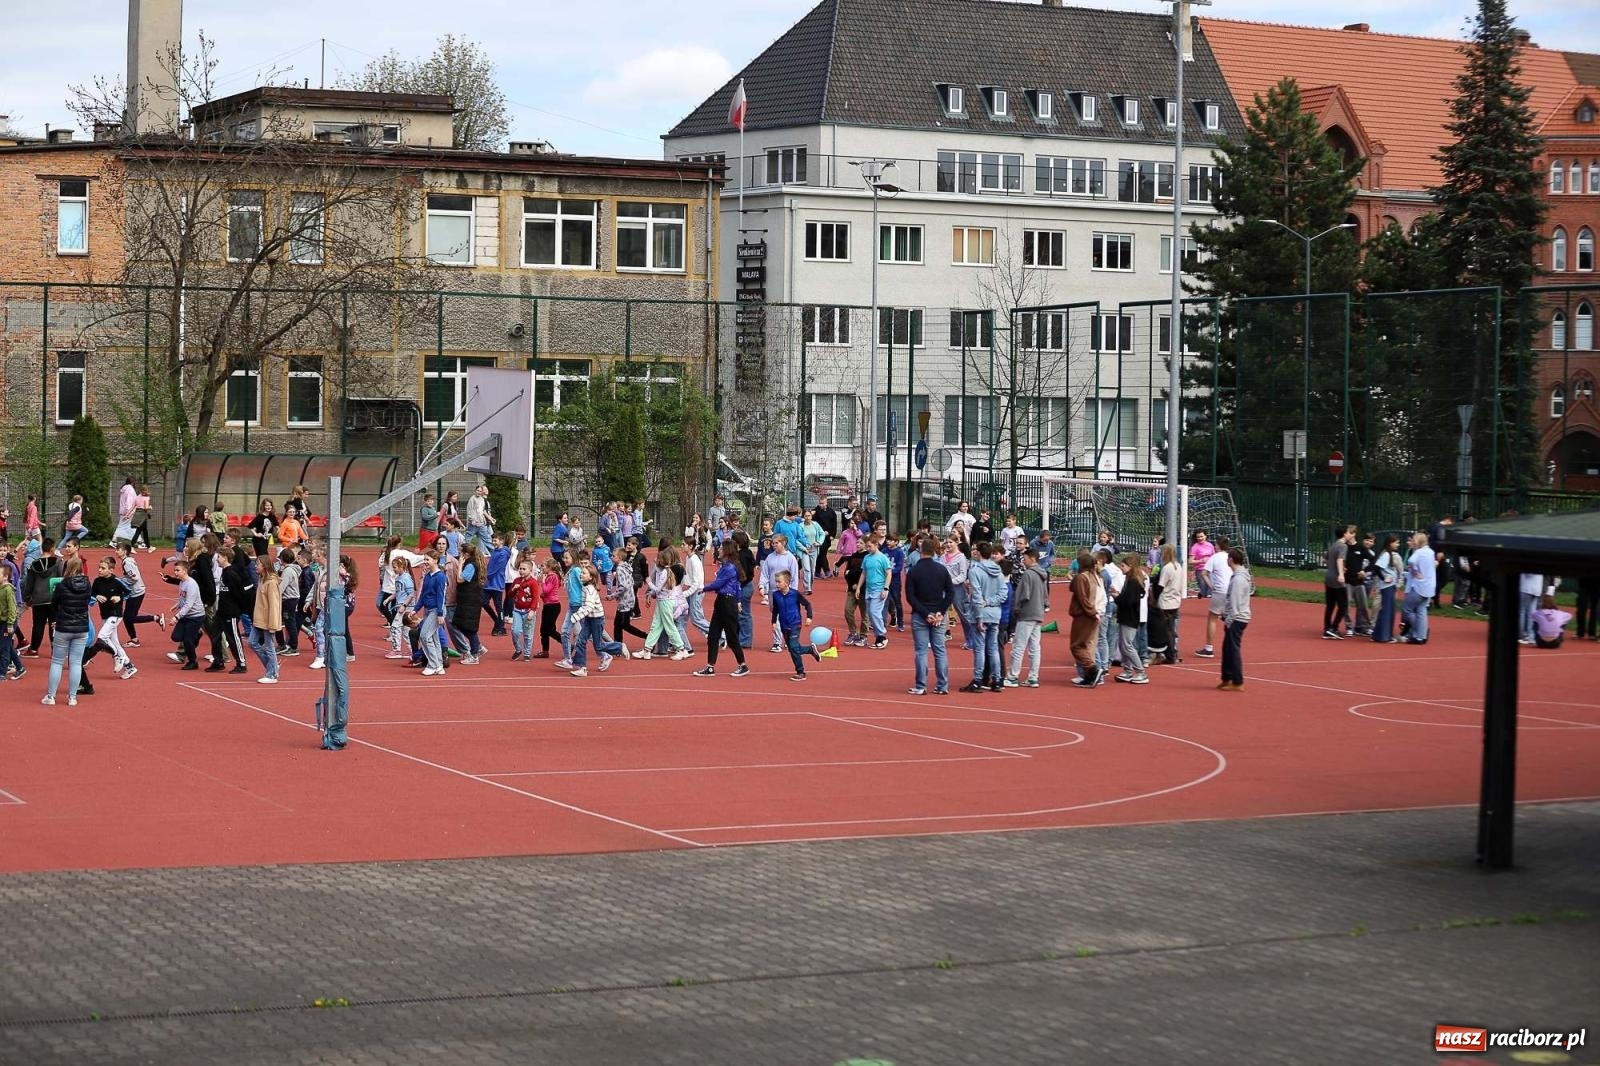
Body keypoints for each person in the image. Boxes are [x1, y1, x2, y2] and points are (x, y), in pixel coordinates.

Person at [905, 535, 954, 696]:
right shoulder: (942, 569)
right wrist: (940, 612)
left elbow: (910, 597)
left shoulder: (914, 571)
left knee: (921, 651)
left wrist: (926, 613)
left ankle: (921, 685)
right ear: (934, 551)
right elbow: (950, 593)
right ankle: (942, 685)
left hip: (921, 615)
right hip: (939, 614)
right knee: (940, 650)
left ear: (920, 550)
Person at [693, 542, 750, 677]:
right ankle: (710, 666)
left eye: (720, 548)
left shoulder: (729, 567)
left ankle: (743, 665)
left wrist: (702, 588)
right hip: (722, 602)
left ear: (727, 551)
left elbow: (719, 584)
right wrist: (739, 600)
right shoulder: (727, 566)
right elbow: (737, 586)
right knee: (713, 635)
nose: (717, 550)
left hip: (727, 603)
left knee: (731, 637)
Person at [41, 556, 92, 705]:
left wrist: (57, 617)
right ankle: (72, 697)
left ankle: (51, 696)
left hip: (64, 626)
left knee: (57, 662)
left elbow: (54, 603)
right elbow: (87, 601)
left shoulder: (62, 585)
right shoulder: (87, 584)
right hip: (82, 627)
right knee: (76, 663)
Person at [568, 563, 627, 677]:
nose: (581, 574)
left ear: (591, 577)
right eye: (581, 572)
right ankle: (582, 668)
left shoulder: (589, 589)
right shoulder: (585, 587)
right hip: (589, 618)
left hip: (596, 619)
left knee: (598, 645)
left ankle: (619, 647)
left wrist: (576, 616)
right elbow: (585, 606)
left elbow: (588, 607)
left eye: (584, 573)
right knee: (581, 641)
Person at [962, 541, 1005, 693]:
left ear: (979, 552)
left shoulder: (975, 571)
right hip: (995, 613)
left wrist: (980, 615)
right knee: (993, 648)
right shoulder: (998, 570)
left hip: (981, 614)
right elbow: (1003, 594)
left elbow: (977, 595)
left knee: (979, 648)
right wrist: (992, 602)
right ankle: (997, 680)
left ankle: (978, 680)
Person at [1004, 547, 1048, 688]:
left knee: (1018, 646)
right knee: (1035, 647)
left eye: (1025, 558)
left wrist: (1016, 608)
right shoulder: (1043, 574)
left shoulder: (1028, 574)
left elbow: (1024, 595)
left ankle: (1012, 676)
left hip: (1027, 613)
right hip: (1038, 612)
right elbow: (1046, 595)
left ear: (1032, 558)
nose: (1023, 561)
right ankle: (1033, 677)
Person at [89, 556, 136, 680]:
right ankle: (129, 666)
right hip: (104, 614)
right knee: (114, 641)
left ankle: (116, 655)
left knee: (102, 637)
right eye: (99, 567)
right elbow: (91, 595)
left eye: (103, 568)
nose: (99, 570)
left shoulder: (117, 582)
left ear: (111, 570)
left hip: (116, 614)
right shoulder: (97, 581)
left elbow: (128, 592)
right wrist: (97, 597)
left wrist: (120, 598)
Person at [768, 570, 820, 681]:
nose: (776, 584)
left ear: (786, 582)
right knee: (793, 649)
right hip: (783, 625)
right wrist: (773, 622)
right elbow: (775, 609)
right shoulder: (776, 595)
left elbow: (807, 604)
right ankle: (810, 649)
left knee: (793, 647)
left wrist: (809, 617)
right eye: (776, 582)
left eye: (779, 582)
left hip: (795, 624)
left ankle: (800, 672)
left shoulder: (795, 594)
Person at [1218, 547, 1252, 691]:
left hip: (1237, 619)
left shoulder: (1238, 579)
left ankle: (1237, 681)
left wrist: (1229, 618)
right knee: (1227, 648)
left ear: (1231, 560)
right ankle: (1227, 677)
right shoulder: (1239, 575)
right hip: (1235, 617)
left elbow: (1235, 602)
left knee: (1233, 649)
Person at [1067, 550, 1102, 687]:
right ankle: (1089, 675)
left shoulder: (1082, 577)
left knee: (1077, 646)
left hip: (1084, 615)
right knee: (1084, 645)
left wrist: (1091, 612)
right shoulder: (1094, 576)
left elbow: (1083, 598)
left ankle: (1092, 670)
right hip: (1090, 614)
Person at [1114, 554, 1150, 684]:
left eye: (1123, 566)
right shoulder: (1131, 580)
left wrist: (1116, 596)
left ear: (1130, 566)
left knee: (1128, 645)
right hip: (1127, 616)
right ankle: (1128, 670)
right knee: (1123, 645)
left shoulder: (1133, 582)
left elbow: (1127, 601)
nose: (1121, 568)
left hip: (1130, 617)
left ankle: (1141, 671)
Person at [248, 554, 283, 684]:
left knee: (269, 646)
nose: (256, 566)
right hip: (259, 619)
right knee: (252, 642)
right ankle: (272, 666)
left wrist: (273, 624)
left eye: (258, 564)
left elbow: (274, 605)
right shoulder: (261, 579)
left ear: (265, 566)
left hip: (268, 621)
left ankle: (272, 674)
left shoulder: (271, 583)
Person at [1195, 536, 1232, 658]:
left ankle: (1208, 648)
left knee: (1212, 618)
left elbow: (1204, 573)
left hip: (1220, 590)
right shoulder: (1230, 557)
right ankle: (1231, 647)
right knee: (1230, 620)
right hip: (1231, 591)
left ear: (1218, 546)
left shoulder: (1214, 558)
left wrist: (1211, 586)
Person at [166, 558, 205, 670]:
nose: (175, 572)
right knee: (176, 637)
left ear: (185, 571)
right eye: (175, 570)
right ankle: (197, 634)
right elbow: (183, 597)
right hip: (186, 615)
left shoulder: (191, 584)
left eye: (178, 570)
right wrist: (177, 605)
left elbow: (189, 604)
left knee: (188, 640)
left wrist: (176, 617)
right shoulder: (182, 582)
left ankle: (193, 662)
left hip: (195, 616)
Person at [415, 553, 448, 676]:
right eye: (424, 559)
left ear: (435, 560)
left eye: (427, 559)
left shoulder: (440, 577)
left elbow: (441, 596)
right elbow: (424, 594)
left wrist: (440, 614)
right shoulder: (428, 576)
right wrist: (416, 609)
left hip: (436, 610)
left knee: (424, 636)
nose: (425, 562)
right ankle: (438, 664)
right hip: (427, 610)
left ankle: (434, 664)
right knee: (434, 638)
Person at [1401, 530, 1435, 644]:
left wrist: (1415, 571)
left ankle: (1420, 631)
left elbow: (1411, 561)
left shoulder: (1419, 552)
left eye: (1415, 540)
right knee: (1421, 610)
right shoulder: (1430, 551)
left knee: (1407, 609)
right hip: (1430, 586)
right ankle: (1421, 636)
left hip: (1419, 586)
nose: (1413, 542)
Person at [1153, 542, 1184, 664]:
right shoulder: (1178, 566)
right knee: (1171, 630)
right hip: (1175, 601)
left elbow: (1160, 586)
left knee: (1166, 631)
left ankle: (1170, 655)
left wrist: (1154, 599)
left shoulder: (1167, 568)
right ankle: (1172, 653)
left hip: (1166, 602)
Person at [861, 536, 892, 650]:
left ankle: (882, 635)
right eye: (867, 546)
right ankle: (878, 636)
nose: (868, 548)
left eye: (870, 546)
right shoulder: (867, 558)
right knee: (870, 614)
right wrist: (859, 587)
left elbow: (888, 573)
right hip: (869, 589)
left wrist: (885, 588)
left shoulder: (883, 558)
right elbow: (864, 573)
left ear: (876, 545)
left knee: (875, 612)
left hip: (879, 589)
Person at [1370, 534, 1401, 644]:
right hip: (1387, 586)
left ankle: (1379, 634)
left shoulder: (1388, 554)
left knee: (1388, 610)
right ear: (1390, 543)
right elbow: (1377, 568)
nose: (1398, 544)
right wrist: (1384, 578)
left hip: (1389, 585)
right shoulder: (1386, 554)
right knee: (1387, 611)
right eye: (1396, 542)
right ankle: (1383, 636)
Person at [1323, 525, 1353, 639]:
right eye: (1349, 532)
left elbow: (1325, 559)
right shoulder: (1343, 546)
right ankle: (1334, 628)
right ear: (1345, 534)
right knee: (1343, 605)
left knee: (1330, 605)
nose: (1350, 534)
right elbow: (1340, 559)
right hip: (1336, 579)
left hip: (1328, 577)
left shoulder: (1333, 545)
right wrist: (1341, 573)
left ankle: (1327, 629)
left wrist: (1332, 567)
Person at [1345, 531, 1376, 636]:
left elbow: (1373, 561)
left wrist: (1365, 571)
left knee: (1363, 606)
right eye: (1366, 540)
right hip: (1347, 581)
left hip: (1359, 582)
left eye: (1370, 541)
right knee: (1346, 605)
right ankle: (1349, 627)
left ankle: (1366, 626)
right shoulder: (1344, 547)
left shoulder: (1360, 548)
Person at [1189, 530, 1215, 598]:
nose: (1200, 538)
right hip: (1200, 570)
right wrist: (1201, 560)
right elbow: (1190, 561)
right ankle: (1202, 596)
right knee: (1204, 589)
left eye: (1201, 536)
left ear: (1205, 536)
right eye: (1198, 537)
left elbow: (1214, 556)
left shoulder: (1210, 545)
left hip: (1210, 569)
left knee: (1211, 590)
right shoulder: (1195, 547)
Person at [1577, 576, 1600, 641]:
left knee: (1595, 609)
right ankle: (1580, 632)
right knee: (1581, 607)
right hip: (1584, 583)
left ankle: (1592, 633)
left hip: (1598, 584)